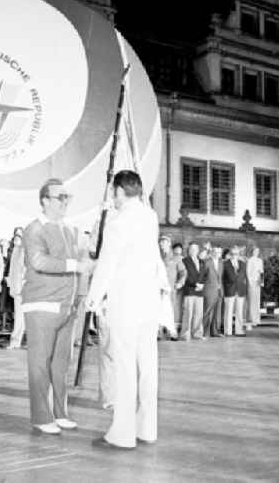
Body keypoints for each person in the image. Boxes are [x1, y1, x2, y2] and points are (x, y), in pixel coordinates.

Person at [84, 170, 168, 449]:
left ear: (119, 191)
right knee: (148, 366)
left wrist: (93, 297)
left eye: (114, 192)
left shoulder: (117, 222)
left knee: (123, 367)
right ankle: (147, 428)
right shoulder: (150, 217)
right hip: (149, 303)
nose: (113, 198)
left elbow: (107, 262)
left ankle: (122, 433)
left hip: (125, 302)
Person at [22, 178, 89, 435]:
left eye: (66, 197)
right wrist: (75, 265)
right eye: (59, 197)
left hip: (67, 306)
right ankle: (41, 416)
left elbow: (84, 260)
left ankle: (60, 413)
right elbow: (39, 261)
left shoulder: (72, 230)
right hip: (42, 305)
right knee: (40, 362)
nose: (64, 202)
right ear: (44, 201)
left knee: (61, 363)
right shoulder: (34, 229)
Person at [159, 235, 186, 339]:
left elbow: (183, 272)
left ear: (169, 244)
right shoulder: (157, 256)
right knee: (158, 310)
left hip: (170, 289)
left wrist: (180, 282)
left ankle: (172, 332)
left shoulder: (176, 258)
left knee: (170, 311)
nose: (162, 245)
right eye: (161, 243)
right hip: (158, 289)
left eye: (164, 243)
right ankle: (159, 332)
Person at [180, 242, 205, 341]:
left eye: (195, 249)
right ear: (188, 250)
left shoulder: (201, 261)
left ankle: (197, 334)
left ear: (198, 250)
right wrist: (196, 284)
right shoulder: (184, 260)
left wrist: (202, 284)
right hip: (190, 290)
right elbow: (186, 275)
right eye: (191, 249)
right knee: (188, 313)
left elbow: (204, 274)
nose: (193, 251)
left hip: (200, 291)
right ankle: (185, 334)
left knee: (198, 314)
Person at [6, 232, 26, 349]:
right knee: (19, 316)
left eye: (19, 238)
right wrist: (12, 285)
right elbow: (12, 271)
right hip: (18, 289)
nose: (16, 240)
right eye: (15, 238)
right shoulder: (15, 251)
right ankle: (15, 342)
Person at [223, 244, 248, 337]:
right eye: (233, 253)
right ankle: (228, 331)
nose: (234, 255)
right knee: (228, 312)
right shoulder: (225, 263)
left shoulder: (243, 264)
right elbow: (222, 278)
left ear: (239, 254)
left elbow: (244, 277)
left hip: (240, 290)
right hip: (229, 290)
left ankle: (239, 331)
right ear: (230, 253)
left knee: (239, 312)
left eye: (236, 253)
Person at [202, 245, 224, 337]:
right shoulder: (207, 262)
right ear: (212, 252)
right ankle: (203, 332)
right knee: (207, 311)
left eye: (219, 252)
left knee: (216, 312)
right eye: (215, 251)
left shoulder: (221, 262)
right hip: (209, 290)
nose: (217, 253)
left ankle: (214, 332)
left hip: (219, 291)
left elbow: (220, 277)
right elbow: (202, 276)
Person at [245, 246, 264, 329]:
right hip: (252, 282)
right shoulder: (250, 260)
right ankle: (251, 318)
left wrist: (262, 281)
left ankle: (256, 318)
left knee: (257, 300)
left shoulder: (260, 260)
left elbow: (262, 272)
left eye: (258, 251)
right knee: (251, 301)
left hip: (258, 282)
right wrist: (249, 282)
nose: (256, 252)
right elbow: (248, 272)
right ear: (252, 251)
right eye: (255, 251)